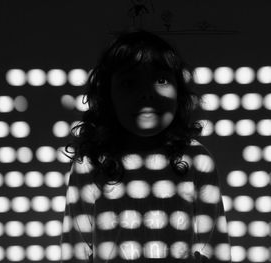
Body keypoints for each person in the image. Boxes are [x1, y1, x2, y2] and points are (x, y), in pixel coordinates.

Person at [59, 29, 232, 263]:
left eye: (161, 80)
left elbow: (214, 249)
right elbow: (76, 249)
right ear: (108, 96)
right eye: (130, 82)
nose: (146, 94)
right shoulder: (91, 163)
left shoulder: (197, 160)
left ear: (178, 93)